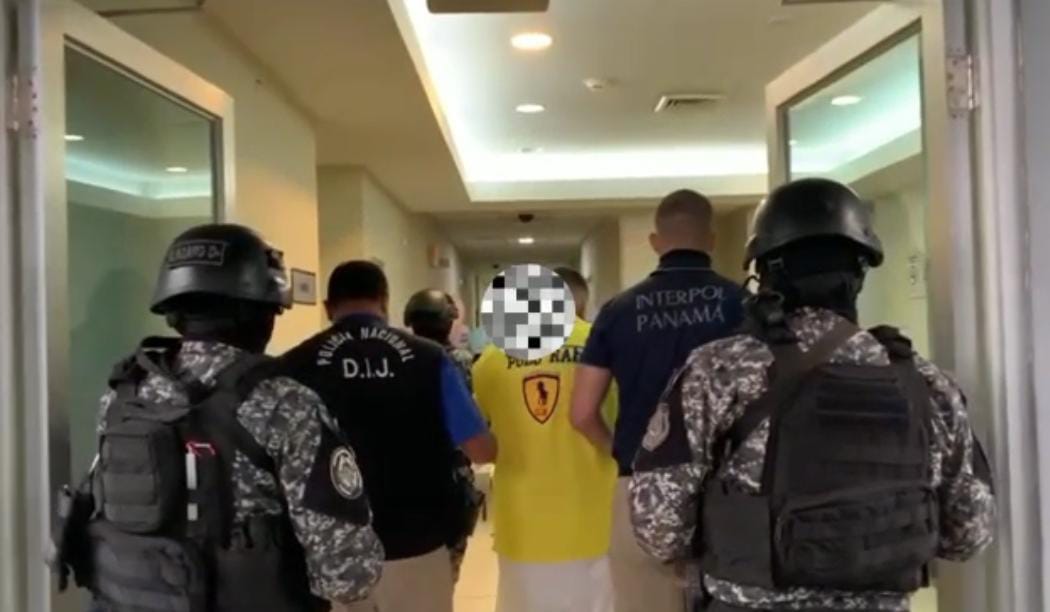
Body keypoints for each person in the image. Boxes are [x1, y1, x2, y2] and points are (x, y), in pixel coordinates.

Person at [630, 178, 997, 611]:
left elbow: (659, 527)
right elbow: (969, 533)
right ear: (860, 272)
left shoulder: (721, 371)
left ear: (764, 273)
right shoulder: (927, 384)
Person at [51, 224, 383, 612]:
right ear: (261, 313)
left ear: (174, 312)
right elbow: (346, 574)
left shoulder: (124, 393)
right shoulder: (284, 402)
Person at [281, 261, 497, 612]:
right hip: (418, 540)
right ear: (384, 301)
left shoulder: (294, 364)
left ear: (327, 306)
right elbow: (481, 449)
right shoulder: (430, 359)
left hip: (331, 551)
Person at [571, 189, 746, 612]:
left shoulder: (617, 311)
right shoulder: (744, 305)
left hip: (642, 486)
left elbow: (581, 413)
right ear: (712, 240)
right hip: (730, 490)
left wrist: (621, 453)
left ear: (655, 242)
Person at [473, 267, 619, 612]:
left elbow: (484, 437)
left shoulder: (491, 358)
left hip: (523, 524)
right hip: (597, 517)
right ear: (581, 303)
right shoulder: (607, 344)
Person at [403, 288, 486, 582]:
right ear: (449, 322)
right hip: (452, 473)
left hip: (406, 475)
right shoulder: (460, 360)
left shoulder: (398, 357)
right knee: (448, 567)